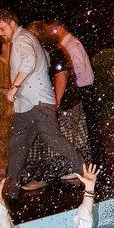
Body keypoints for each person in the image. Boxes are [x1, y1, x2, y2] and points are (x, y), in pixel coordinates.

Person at [0, 9, 86, 198]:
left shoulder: (22, 39)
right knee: (17, 146)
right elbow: (43, 59)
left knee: (53, 141)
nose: (0, 33)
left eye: (2, 28)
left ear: (12, 23)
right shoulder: (28, 39)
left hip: (37, 104)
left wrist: (15, 86)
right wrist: (17, 89)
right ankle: (10, 189)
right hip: (28, 104)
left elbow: (29, 62)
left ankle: (85, 172)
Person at [22, 21, 91, 192]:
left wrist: (56, 102)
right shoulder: (39, 53)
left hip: (65, 103)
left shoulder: (55, 52)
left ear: (38, 36)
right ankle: (44, 176)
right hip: (44, 104)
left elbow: (61, 76)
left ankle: (73, 172)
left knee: (66, 137)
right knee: (45, 141)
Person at [47, 19, 100, 160]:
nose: (52, 33)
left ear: (61, 27)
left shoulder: (71, 45)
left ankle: (91, 158)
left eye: (53, 30)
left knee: (87, 124)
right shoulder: (66, 45)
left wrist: (69, 79)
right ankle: (89, 157)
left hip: (83, 88)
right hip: (81, 88)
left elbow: (79, 68)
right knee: (85, 124)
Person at [0, 36, 11, 178]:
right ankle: (2, 169)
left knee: (12, 137)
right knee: (1, 137)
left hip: (16, 105)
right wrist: (3, 90)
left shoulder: (15, 61)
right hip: (1, 106)